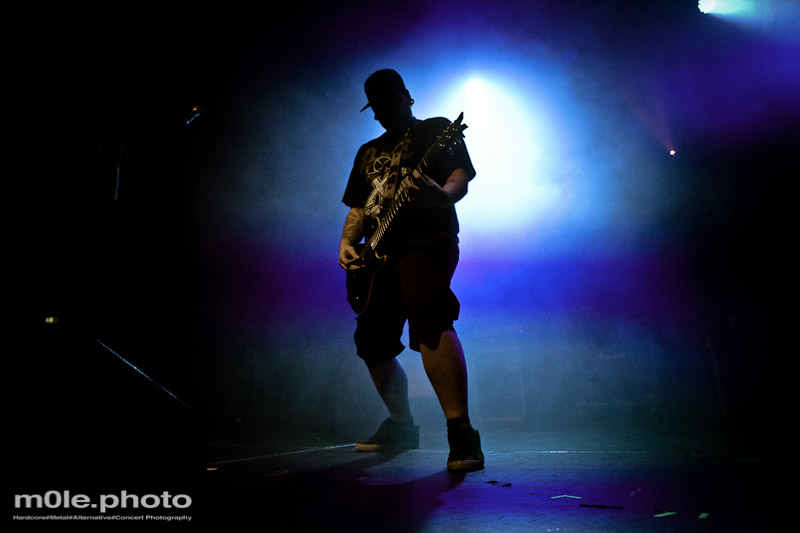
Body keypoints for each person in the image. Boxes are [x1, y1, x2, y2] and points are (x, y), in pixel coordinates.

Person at [338, 69, 484, 472]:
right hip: (376, 253)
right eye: (376, 106)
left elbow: (460, 175)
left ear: (406, 96)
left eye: (389, 101)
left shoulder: (436, 131)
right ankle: (401, 425)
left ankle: (461, 431)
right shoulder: (367, 151)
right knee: (372, 340)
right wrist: (347, 242)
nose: (381, 112)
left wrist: (442, 196)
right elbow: (358, 207)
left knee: (429, 317)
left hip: (424, 238)